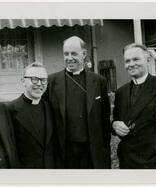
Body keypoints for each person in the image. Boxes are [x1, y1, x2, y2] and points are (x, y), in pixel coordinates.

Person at [44, 36, 111, 169]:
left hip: (91, 150)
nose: (69, 58)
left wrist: (104, 149)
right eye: (66, 54)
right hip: (64, 151)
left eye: (73, 53)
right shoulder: (51, 81)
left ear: (84, 54)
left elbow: (105, 118)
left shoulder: (99, 81)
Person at [112, 43, 156, 169]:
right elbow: (116, 120)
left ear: (147, 60)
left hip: (155, 160)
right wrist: (114, 125)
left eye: (136, 59)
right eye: (127, 61)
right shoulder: (121, 92)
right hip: (128, 160)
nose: (131, 64)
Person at [7, 62, 54, 168]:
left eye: (43, 80)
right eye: (34, 79)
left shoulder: (51, 108)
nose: (39, 84)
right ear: (23, 81)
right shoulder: (10, 110)